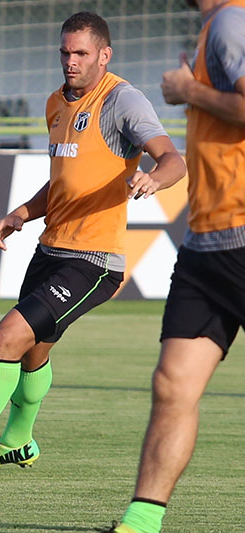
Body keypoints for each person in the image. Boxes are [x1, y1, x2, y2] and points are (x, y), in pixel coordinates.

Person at [0, 11, 187, 480]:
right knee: (34, 352)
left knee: (8, 337)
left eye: (81, 53)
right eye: (65, 52)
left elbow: (173, 159)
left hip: (95, 261)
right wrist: (20, 214)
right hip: (51, 249)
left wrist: (152, 180)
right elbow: (63, 180)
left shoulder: (122, 100)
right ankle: (19, 443)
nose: (70, 61)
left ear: (104, 55)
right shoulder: (55, 103)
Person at [105, 1, 245, 532]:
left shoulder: (232, 20)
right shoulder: (218, 25)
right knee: (173, 385)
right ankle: (140, 524)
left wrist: (190, 92)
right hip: (207, 245)